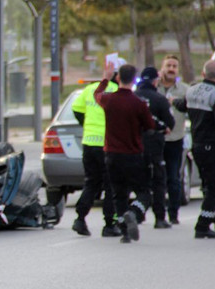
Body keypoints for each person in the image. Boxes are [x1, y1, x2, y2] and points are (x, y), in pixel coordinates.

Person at [94, 60, 155, 243]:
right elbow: (150, 126)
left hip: (112, 156)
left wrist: (105, 79)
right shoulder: (138, 103)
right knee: (144, 193)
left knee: (118, 194)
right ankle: (134, 213)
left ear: (118, 77)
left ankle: (125, 232)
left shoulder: (109, 99)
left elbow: (97, 94)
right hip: (133, 155)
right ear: (134, 79)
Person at [70, 66, 120, 238]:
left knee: (91, 182)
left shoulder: (90, 89)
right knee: (110, 185)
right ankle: (109, 224)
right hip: (107, 145)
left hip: (89, 143)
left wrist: (86, 125)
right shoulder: (117, 92)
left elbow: (76, 109)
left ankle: (80, 219)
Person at [173, 59, 215, 239]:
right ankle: (202, 224)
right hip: (213, 146)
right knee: (214, 188)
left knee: (208, 185)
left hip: (197, 145)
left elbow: (181, 105)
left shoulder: (192, 90)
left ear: (203, 74)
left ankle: (212, 218)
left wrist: (172, 101)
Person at [134, 66, 175, 228]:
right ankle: (159, 218)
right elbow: (170, 123)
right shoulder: (159, 99)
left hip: (133, 145)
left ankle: (138, 212)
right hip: (154, 145)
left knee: (139, 181)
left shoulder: (133, 97)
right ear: (154, 81)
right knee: (158, 180)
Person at [157, 55, 189, 224]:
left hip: (176, 138)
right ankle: (159, 213)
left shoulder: (184, 90)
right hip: (156, 139)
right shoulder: (155, 88)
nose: (171, 68)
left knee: (174, 177)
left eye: (174, 66)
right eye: (168, 65)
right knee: (157, 177)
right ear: (162, 68)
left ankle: (173, 213)